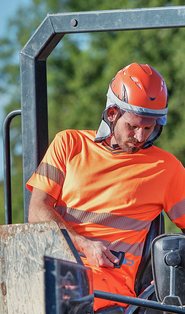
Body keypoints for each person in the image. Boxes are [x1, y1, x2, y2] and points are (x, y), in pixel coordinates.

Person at [26, 63, 185, 311]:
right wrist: (84, 244)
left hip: (110, 297)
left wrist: (171, 279)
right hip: (53, 278)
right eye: (132, 126)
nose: (140, 137)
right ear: (112, 114)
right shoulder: (68, 144)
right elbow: (37, 211)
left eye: (149, 128)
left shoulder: (167, 168)